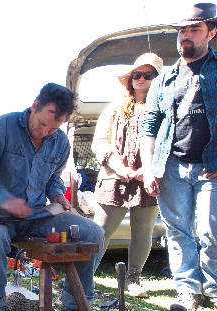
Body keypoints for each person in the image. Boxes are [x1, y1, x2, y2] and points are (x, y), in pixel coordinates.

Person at [140, 3, 217, 311]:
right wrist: (148, 167)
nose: (185, 36)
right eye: (181, 30)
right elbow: (149, 126)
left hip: (215, 164)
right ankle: (187, 290)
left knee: (215, 228)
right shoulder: (163, 80)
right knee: (178, 230)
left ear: (212, 31)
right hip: (170, 165)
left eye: (193, 29)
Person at [0, 83, 104, 311]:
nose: (45, 131)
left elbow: (52, 178)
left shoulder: (60, 141)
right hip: (0, 215)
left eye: (53, 127)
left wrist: (59, 196)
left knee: (92, 231)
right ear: (34, 105)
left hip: (38, 216)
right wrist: (8, 201)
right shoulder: (3, 127)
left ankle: (73, 309)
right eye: (41, 124)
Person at [91, 53, 163, 298]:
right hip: (113, 177)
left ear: (157, 79)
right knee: (100, 230)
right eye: (137, 74)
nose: (141, 79)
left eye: (148, 75)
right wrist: (119, 167)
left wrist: (150, 168)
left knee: (143, 229)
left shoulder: (164, 109)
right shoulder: (113, 108)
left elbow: (168, 142)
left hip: (149, 178)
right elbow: (99, 142)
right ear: (130, 79)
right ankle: (84, 276)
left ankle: (133, 279)